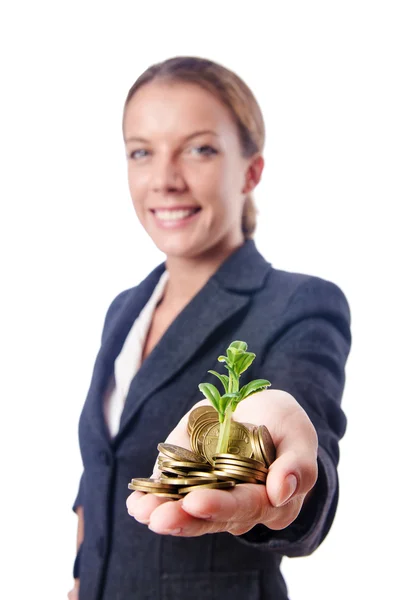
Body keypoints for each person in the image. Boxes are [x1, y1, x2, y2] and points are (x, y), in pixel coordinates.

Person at [68, 56, 351, 600]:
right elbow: (98, 474)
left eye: (199, 149)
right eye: (141, 152)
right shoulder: (124, 309)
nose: (165, 179)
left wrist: (290, 482)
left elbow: (308, 443)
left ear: (250, 171)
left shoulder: (300, 301)